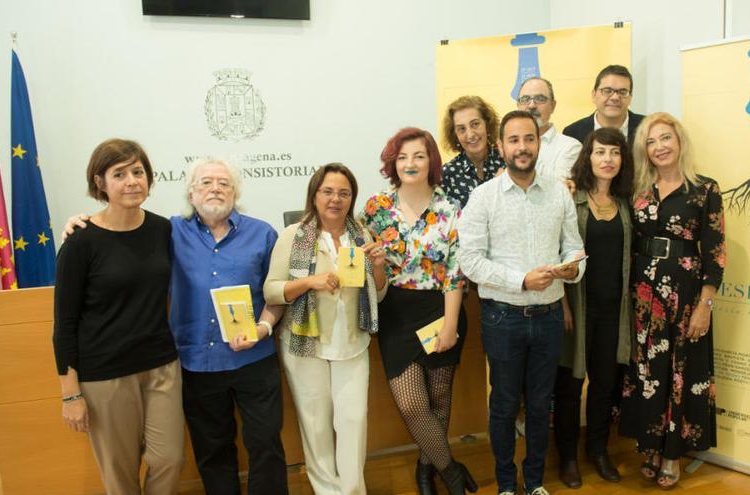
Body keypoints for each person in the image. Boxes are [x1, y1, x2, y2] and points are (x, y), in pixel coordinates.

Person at [63, 158, 289, 495]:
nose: (215, 188)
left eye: (224, 183)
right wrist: (80, 222)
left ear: (235, 192)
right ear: (191, 193)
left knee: (266, 445)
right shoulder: (167, 232)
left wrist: (263, 328)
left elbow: (276, 293)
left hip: (254, 359)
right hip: (196, 363)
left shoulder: (263, 233)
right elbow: (119, 232)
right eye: (206, 182)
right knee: (212, 453)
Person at [458, 110, 586, 495]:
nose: (522, 147)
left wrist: (572, 270)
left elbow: (575, 246)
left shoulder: (558, 193)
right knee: (503, 405)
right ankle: (505, 485)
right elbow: (469, 260)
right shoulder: (482, 198)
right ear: (501, 147)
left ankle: (533, 483)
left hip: (548, 316)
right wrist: (521, 280)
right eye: (513, 140)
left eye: (528, 139)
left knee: (540, 404)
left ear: (538, 144)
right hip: (502, 318)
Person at [53, 138, 184, 494]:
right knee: (120, 474)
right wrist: (70, 395)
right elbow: (64, 325)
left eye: (138, 172)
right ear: (100, 182)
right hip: (105, 375)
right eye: (120, 174)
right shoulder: (80, 242)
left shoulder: (162, 230)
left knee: (169, 459)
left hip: (161, 367)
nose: (132, 181)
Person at [361, 128, 475, 495]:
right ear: (393, 163)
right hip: (396, 311)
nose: (410, 163)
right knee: (412, 404)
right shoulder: (376, 209)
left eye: (419, 156)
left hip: (441, 307)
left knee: (440, 400)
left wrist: (451, 326)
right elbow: (371, 272)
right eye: (403, 157)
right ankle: (452, 470)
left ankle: (426, 470)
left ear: (431, 162)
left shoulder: (450, 208)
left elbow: (456, 272)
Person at [263, 163, 387, 495]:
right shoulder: (294, 235)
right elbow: (272, 290)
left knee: (353, 422)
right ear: (314, 195)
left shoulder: (361, 233)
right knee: (316, 426)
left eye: (344, 193)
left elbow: (380, 292)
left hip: (352, 341)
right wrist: (308, 282)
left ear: (352, 198)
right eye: (328, 191)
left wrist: (376, 267)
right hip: (306, 345)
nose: (336, 199)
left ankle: (351, 491)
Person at [619, 112, 725, 489]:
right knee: (648, 370)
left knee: (679, 372)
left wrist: (705, 304)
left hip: (684, 295)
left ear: (680, 142)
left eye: (665, 138)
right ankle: (650, 444)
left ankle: (672, 453)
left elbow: (715, 252)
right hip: (642, 293)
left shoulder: (705, 189)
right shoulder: (637, 190)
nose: (659, 147)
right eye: (650, 141)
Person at [553, 128, 634, 488]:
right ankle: (568, 457)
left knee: (604, 383)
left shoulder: (628, 203)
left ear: (622, 160)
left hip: (613, 311)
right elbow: (554, 254)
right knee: (570, 387)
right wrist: (563, 306)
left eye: (614, 153)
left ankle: (598, 451)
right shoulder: (570, 199)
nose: (607, 159)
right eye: (600, 152)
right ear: (588, 157)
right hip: (577, 308)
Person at [440, 95, 506, 208]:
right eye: (461, 129)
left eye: (475, 124)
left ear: (487, 124)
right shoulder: (447, 174)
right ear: (455, 135)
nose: (470, 135)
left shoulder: (506, 161)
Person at [516, 77, 582, 182]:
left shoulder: (571, 147)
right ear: (518, 105)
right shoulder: (506, 146)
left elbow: (560, 188)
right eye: (525, 99)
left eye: (540, 99)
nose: (532, 105)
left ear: (552, 105)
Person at [562, 65, 646, 145]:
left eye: (622, 92)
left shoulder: (647, 127)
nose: (615, 97)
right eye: (607, 91)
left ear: (630, 97)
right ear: (594, 95)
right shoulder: (573, 133)